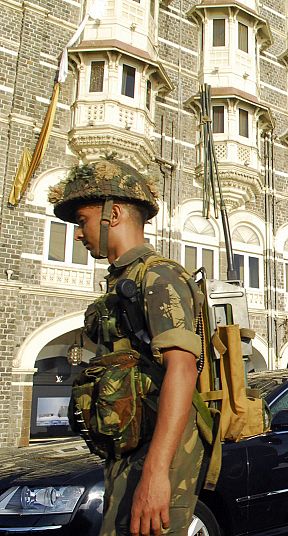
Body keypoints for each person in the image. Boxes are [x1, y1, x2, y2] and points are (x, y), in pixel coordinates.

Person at [51, 157, 207, 536]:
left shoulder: (158, 276)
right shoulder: (124, 280)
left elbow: (183, 369)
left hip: (158, 453)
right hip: (132, 448)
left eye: (83, 220)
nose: (77, 233)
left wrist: (155, 474)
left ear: (113, 214)